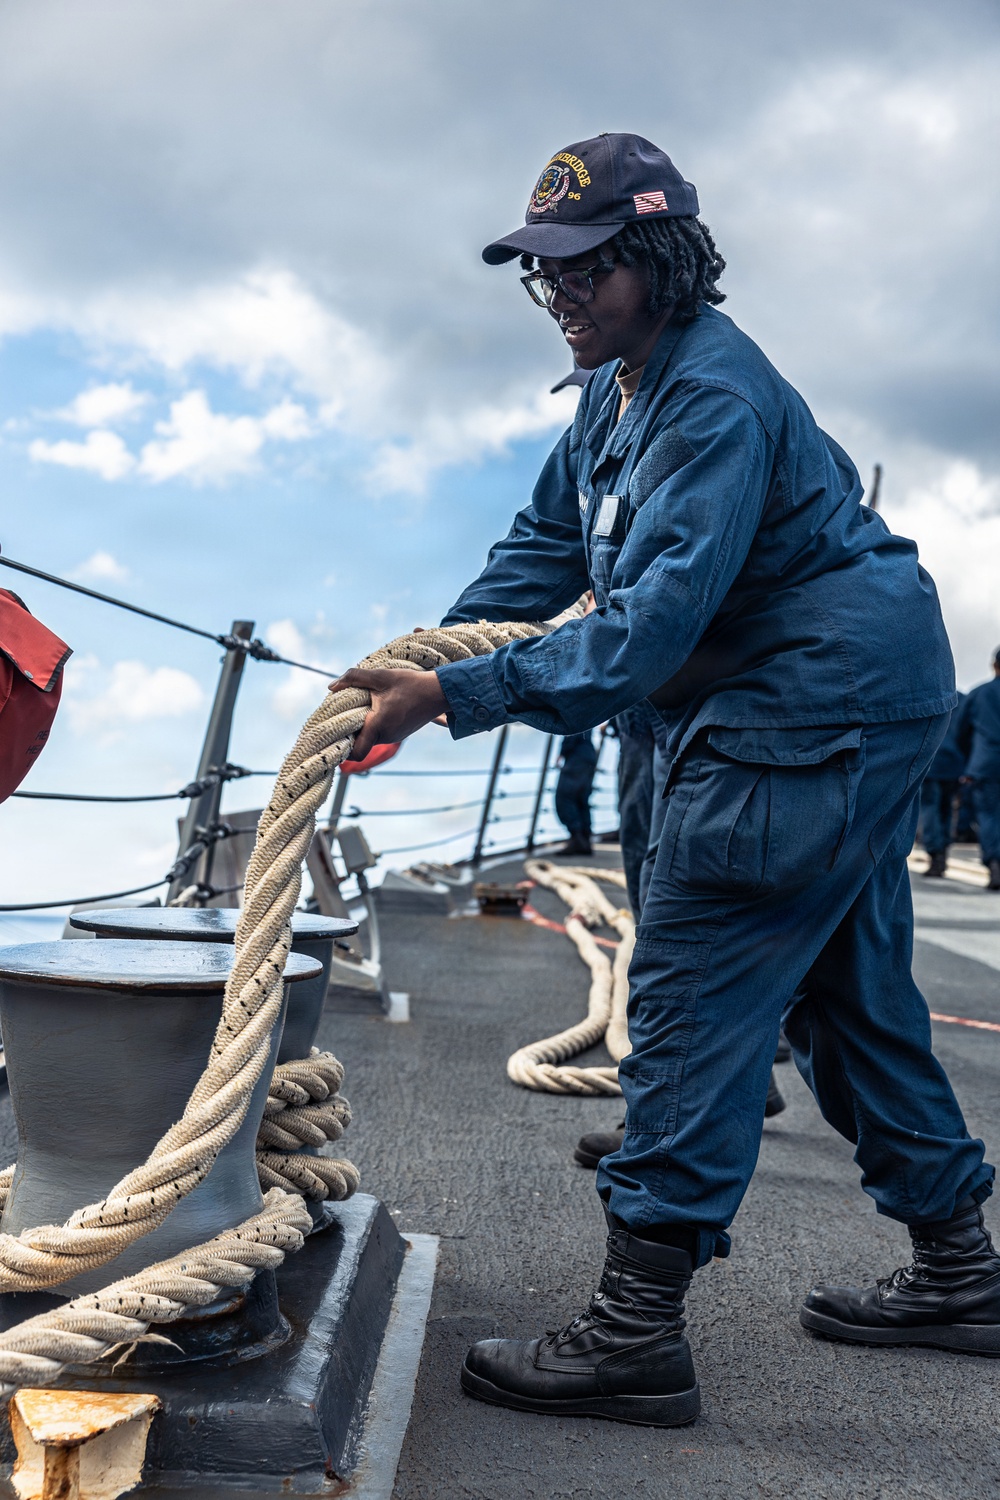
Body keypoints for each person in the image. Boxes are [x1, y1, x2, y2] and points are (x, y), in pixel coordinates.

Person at [333, 133, 996, 1426]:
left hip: (812, 697)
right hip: (841, 686)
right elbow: (542, 547)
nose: (563, 298)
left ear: (658, 260)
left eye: (586, 271)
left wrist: (463, 698)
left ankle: (635, 1332)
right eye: (547, 277)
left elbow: (647, 631)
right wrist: (427, 662)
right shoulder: (615, 388)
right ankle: (965, 1272)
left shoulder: (711, 401)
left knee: (695, 963)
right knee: (846, 993)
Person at [956, 648, 1000, 890]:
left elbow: (961, 730)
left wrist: (971, 757)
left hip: (985, 765)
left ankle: (994, 863)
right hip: (985, 764)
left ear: (995, 665)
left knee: (989, 816)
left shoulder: (979, 694)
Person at [918, 693, 965, 877]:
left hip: (931, 761)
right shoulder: (962, 698)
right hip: (954, 762)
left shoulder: (927, 695)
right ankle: (943, 851)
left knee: (930, 808)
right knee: (947, 809)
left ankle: (935, 854)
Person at [553, 730, 598, 855]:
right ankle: (585, 840)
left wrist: (562, 752)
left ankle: (577, 838)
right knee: (581, 799)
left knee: (564, 798)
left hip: (576, 758)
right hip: (587, 757)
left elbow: (574, 727)